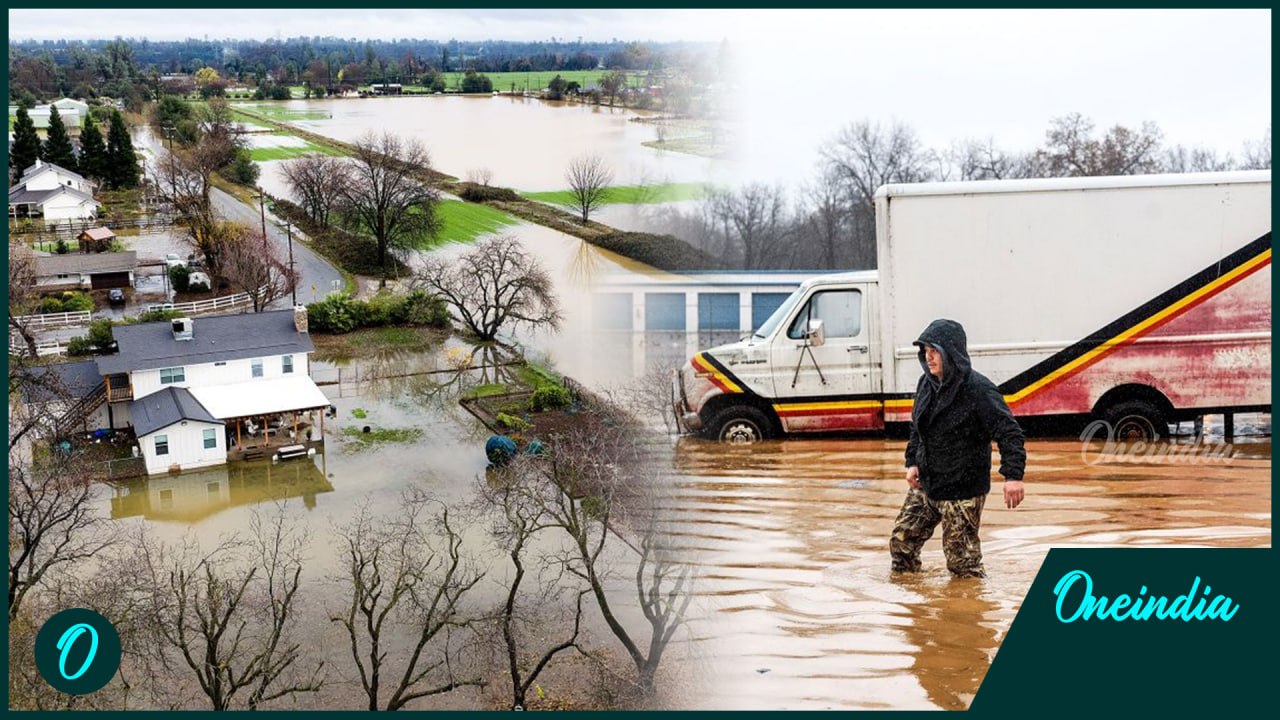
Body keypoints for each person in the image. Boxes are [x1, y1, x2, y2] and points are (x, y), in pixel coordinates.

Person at [891, 319, 1026, 579]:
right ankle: (912, 605)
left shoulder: (978, 389)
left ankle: (969, 612)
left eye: (934, 351)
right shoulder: (925, 384)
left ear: (950, 353)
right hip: (928, 484)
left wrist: (1013, 476)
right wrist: (912, 462)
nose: (929, 358)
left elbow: (1009, 432)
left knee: (962, 565)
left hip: (962, 489)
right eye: (925, 351)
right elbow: (918, 428)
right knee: (901, 544)